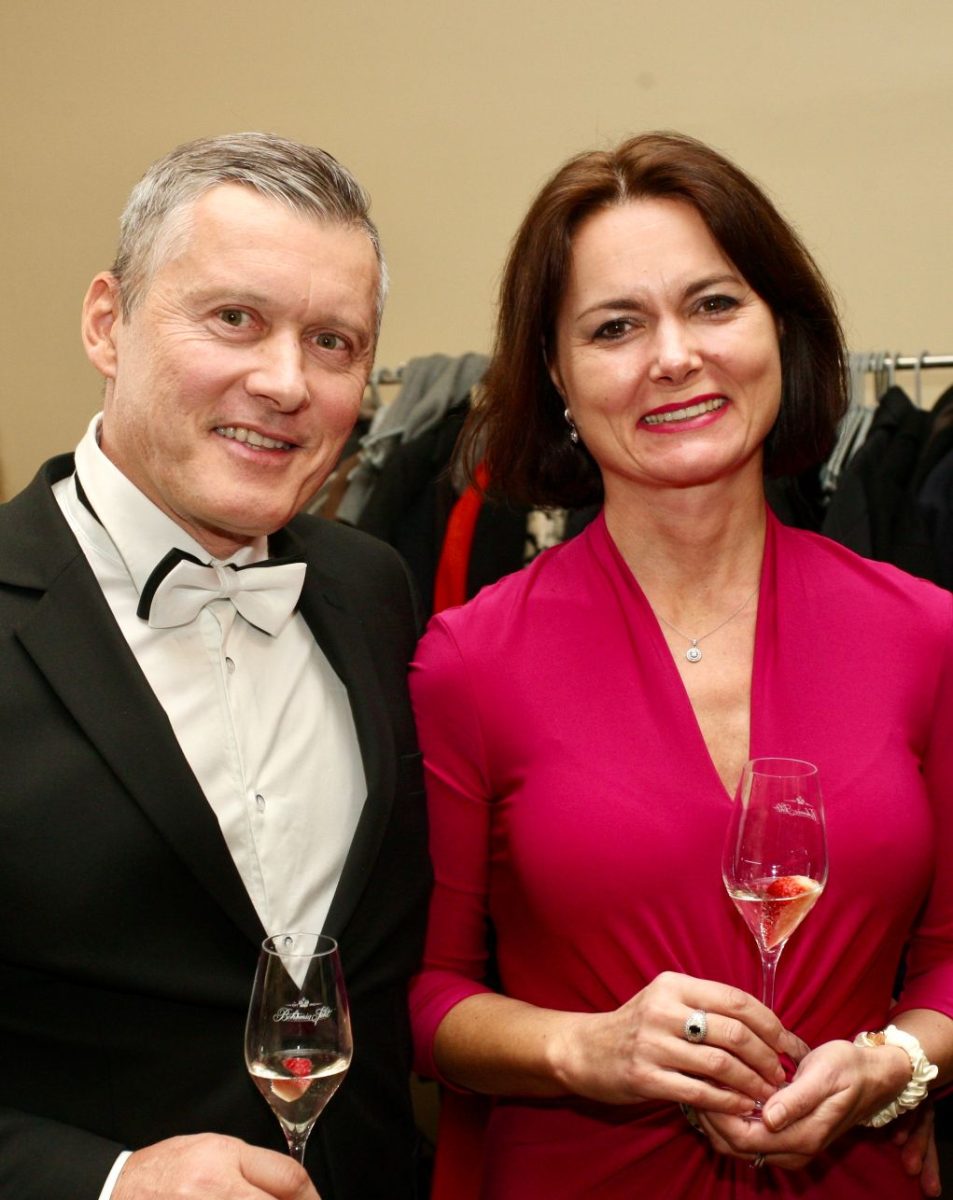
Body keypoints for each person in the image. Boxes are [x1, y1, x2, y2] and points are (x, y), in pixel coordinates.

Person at [408, 131, 953, 1197]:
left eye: (712, 304)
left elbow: (945, 961)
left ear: (778, 328)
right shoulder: (471, 661)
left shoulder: (922, 633)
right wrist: (584, 1049)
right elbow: (426, 997)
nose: (672, 356)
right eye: (614, 326)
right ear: (556, 375)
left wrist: (893, 1067)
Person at [0, 133, 429, 1200]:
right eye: (234, 318)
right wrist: (105, 1182)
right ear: (107, 322)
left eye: (332, 342)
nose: (284, 382)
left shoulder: (373, 590)